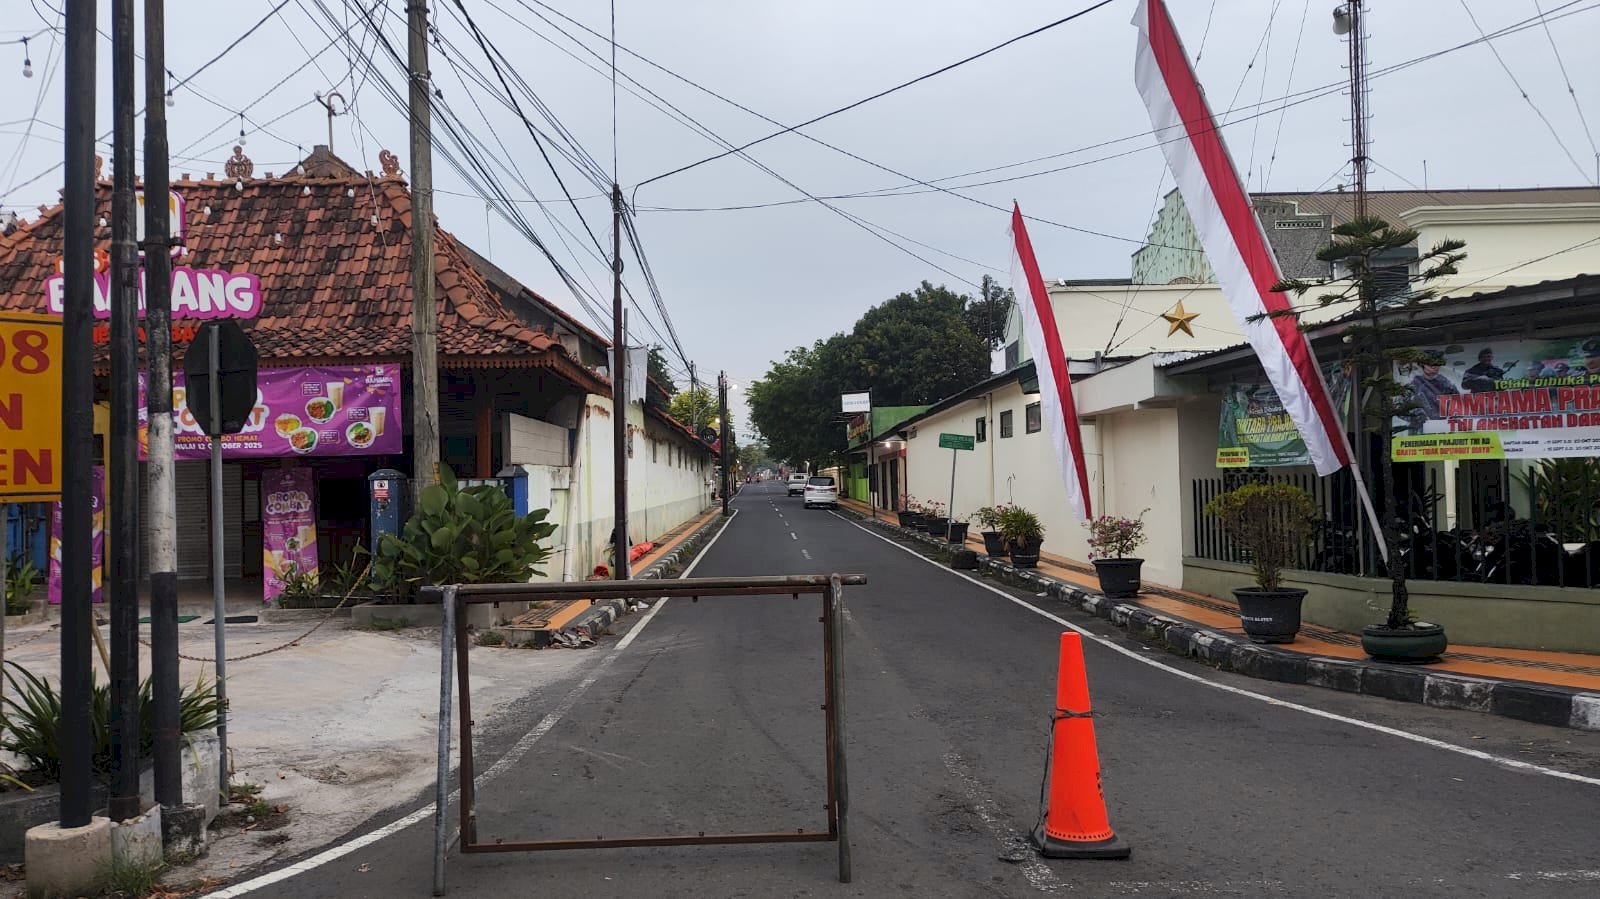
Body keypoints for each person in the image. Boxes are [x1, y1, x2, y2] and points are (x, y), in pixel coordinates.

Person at [1406, 352, 1459, 433]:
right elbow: (1400, 407)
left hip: (1444, 430)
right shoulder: (1413, 385)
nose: (1433, 366)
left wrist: (1452, 420)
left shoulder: (1448, 385)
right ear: (1422, 364)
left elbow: (1459, 408)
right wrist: (1417, 416)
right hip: (1419, 431)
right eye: (1429, 363)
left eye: (1437, 363)